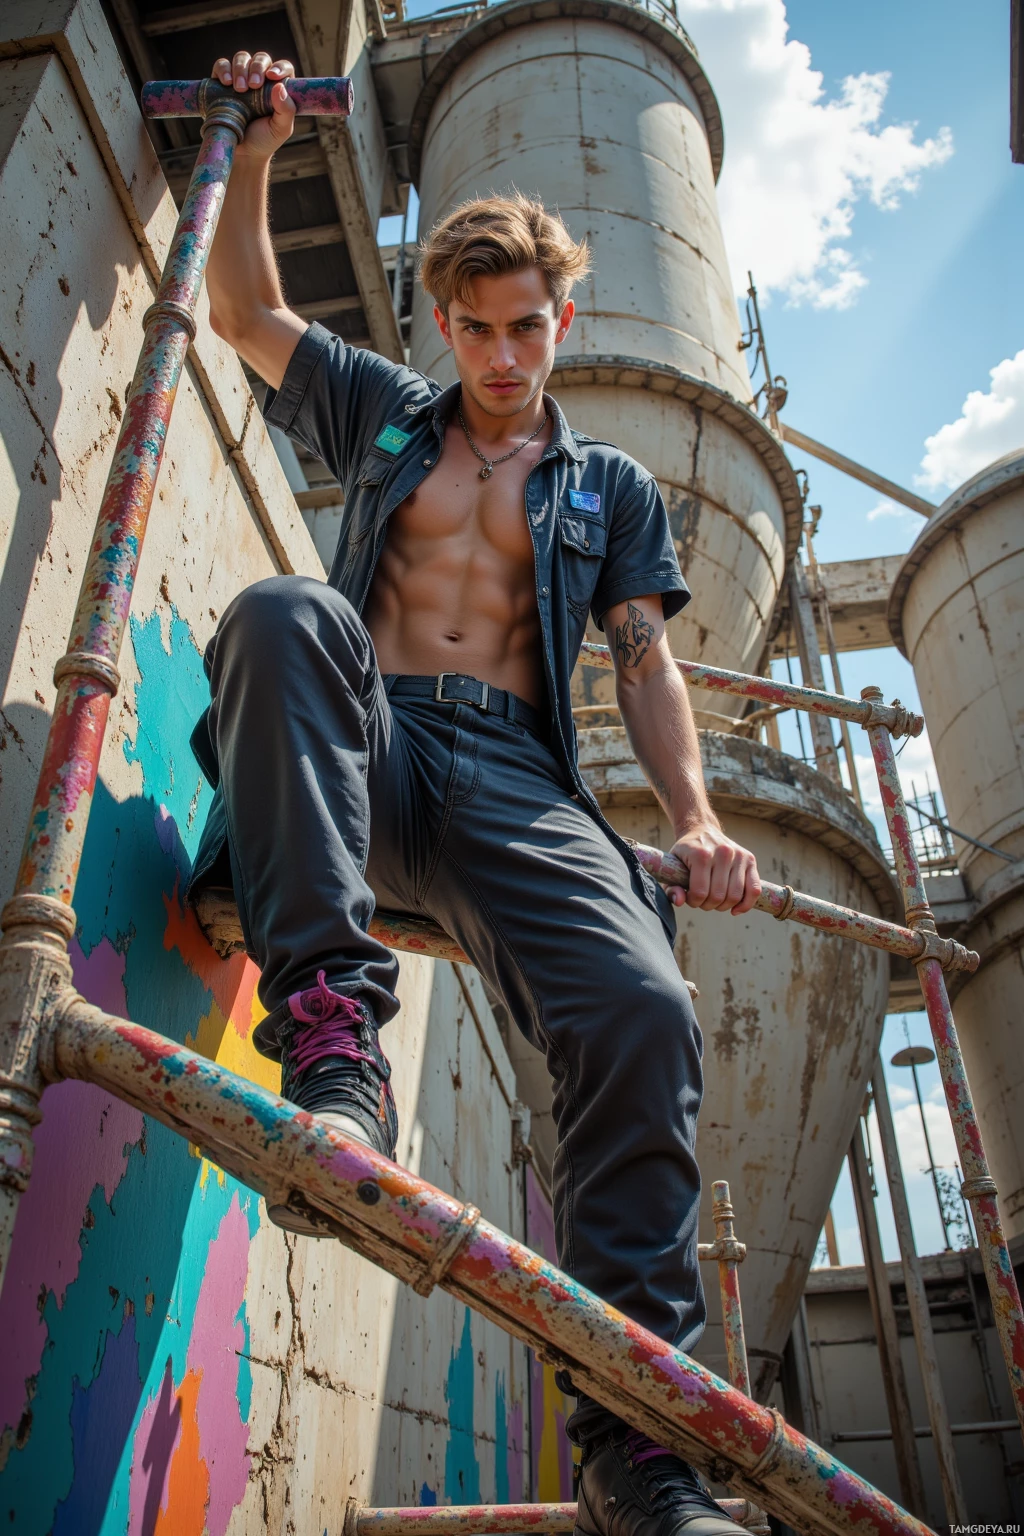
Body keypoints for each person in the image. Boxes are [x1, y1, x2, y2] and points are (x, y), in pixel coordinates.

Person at [188, 49, 763, 1536]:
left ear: (561, 319)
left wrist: (689, 818)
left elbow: (644, 664)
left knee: (645, 1012)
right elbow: (249, 315)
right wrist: (251, 145)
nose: (506, 357)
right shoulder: (385, 412)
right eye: (478, 329)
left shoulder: (607, 490)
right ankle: (333, 1043)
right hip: (365, 746)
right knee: (282, 613)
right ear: (444, 322)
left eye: (529, 328)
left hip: (517, 779)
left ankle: (638, 1439)